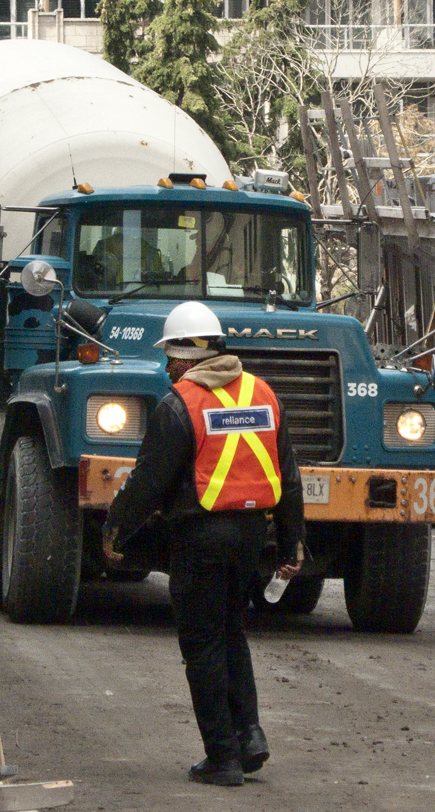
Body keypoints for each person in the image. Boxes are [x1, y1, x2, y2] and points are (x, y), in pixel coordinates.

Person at [102, 301, 305, 788]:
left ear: (184, 355)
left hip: (200, 538)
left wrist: (114, 531)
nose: (167, 367)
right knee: (232, 632)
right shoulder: (263, 393)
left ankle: (222, 757)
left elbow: (148, 484)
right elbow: (290, 479)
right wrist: (291, 545)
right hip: (251, 537)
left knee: (203, 645)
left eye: (170, 356)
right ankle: (249, 735)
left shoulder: (180, 404)